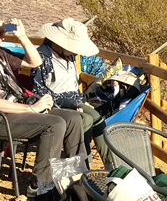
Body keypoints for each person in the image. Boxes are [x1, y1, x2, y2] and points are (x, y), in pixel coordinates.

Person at [0, 13, 86, 189]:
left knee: (73, 119)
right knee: (54, 124)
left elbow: (35, 62)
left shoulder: (0, 53)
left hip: (18, 108)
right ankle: (41, 186)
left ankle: (74, 178)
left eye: (4, 32)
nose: (2, 37)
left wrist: (23, 37)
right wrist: (30, 109)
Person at [32, 18, 111, 165]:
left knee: (98, 119)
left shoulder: (70, 56)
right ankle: (83, 165)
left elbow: (72, 85)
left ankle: (109, 164)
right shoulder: (42, 57)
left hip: (74, 101)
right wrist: (71, 103)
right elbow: (38, 90)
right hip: (54, 104)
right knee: (86, 120)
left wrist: (82, 100)